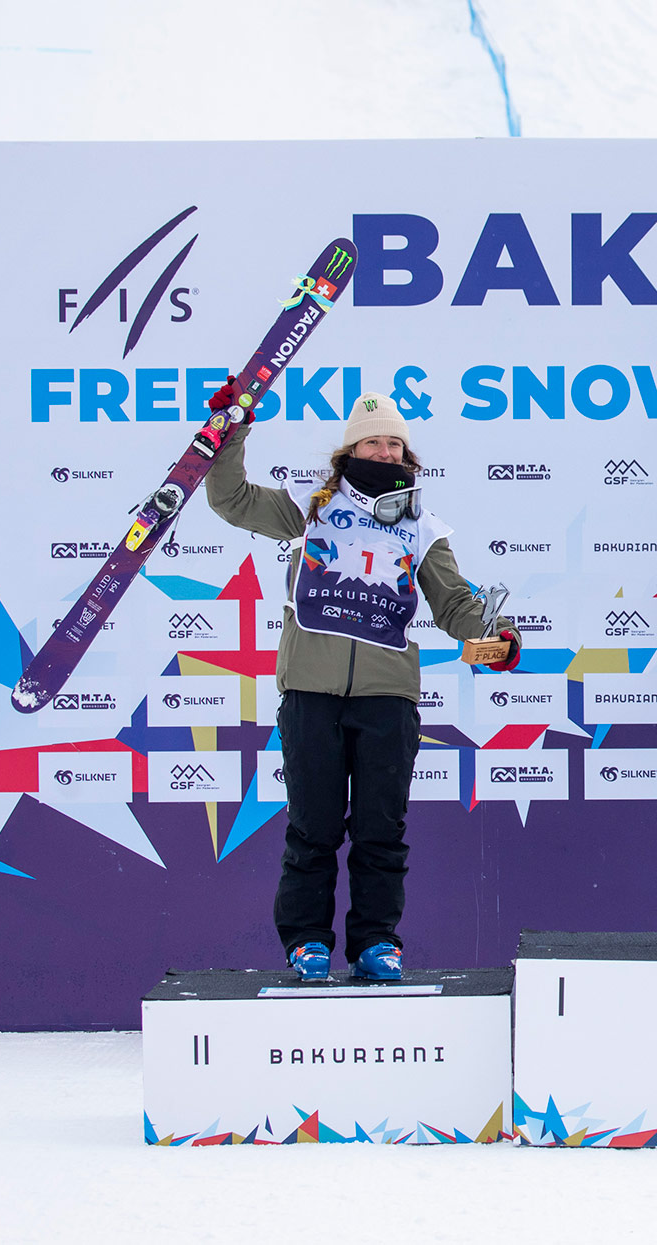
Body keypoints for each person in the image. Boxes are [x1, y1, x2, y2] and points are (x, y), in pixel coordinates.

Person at [204, 388, 519, 982]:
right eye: (373, 439)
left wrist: (495, 633)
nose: (384, 448)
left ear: (407, 455)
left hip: (387, 697)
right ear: (350, 449)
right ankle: (306, 942)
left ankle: (377, 942)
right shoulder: (311, 506)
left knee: (381, 830)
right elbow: (230, 499)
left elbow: (453, 605)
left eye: (394, 441)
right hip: (310, 693)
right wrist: (232, 429)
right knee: (313, 827)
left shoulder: (423, 522)